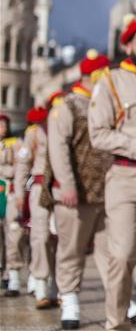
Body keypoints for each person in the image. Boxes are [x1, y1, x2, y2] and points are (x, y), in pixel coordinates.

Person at [89, 18, 136, 331]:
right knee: (122, 257)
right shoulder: (110, 80)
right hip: (124, 176)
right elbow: (99, 135)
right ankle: (116, 323)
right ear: (128, 46)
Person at [48, 50, 113, 329]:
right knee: (71, 250)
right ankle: (70, 299)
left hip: (107, 191)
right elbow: (58, 148)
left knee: (111, 252)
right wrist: (67, 185)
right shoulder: (68, 104)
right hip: (75, 193)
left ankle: (117, 299)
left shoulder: (106, 104)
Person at [15, 104, 58, 309]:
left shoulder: (63, 127)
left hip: (61, 189)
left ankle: (57, 287)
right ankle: (40, 284)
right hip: (40, 187)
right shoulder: (34, 132)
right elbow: (23, 163)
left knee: (61, 240)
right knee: (40, 236)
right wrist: (20, 192)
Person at [1, 112, 28, 297]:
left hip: (8, 192)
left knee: (13, 234)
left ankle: (13, 276)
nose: (2, 128)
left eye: (4, 125)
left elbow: (20, 167)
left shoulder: (15, 144)